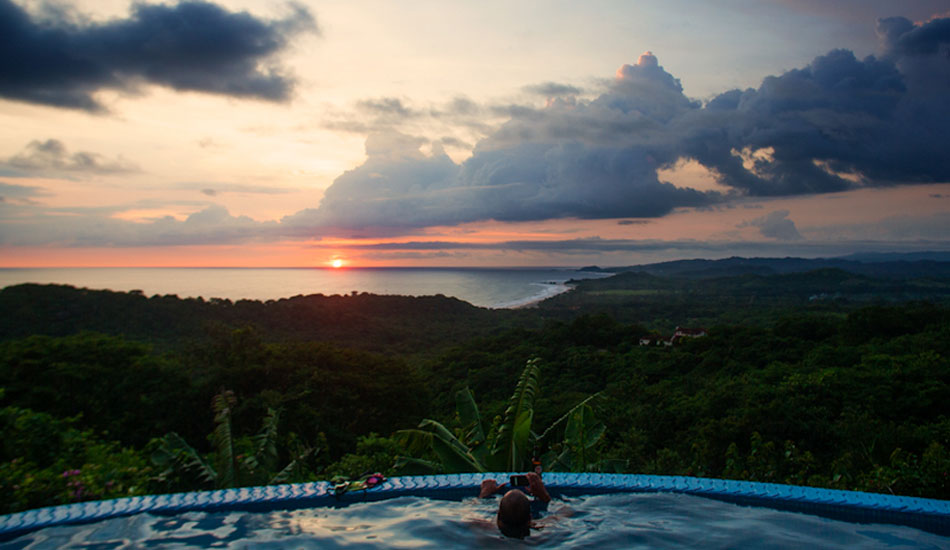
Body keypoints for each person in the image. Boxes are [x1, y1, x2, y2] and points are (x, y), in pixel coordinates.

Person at [478, 471, 551, 539]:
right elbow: (561, 514)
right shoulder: (543, 536)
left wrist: (484, 494)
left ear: (498, 516)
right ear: (530, 518)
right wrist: (544, 496)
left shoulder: (481, 530)